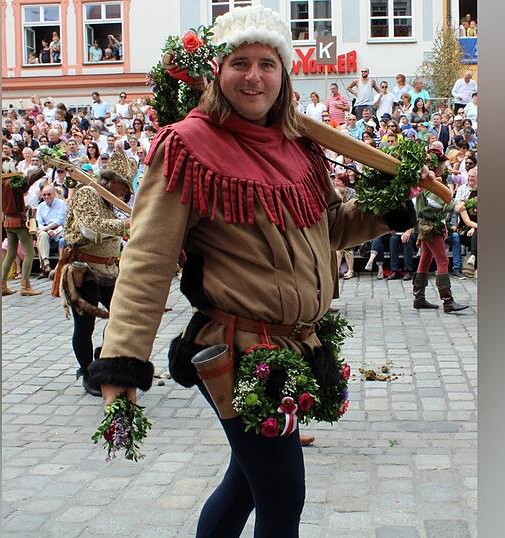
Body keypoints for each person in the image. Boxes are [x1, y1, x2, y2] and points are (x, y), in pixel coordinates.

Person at [86, 6, 419, 536]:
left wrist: (388, 207)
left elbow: (328, 229)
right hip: (234, 347)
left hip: (293, 343)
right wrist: (122, 363)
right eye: (240, 61)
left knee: (246, 484)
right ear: (216, 72)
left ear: (285, 73)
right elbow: (147, 262)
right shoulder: (187, 147)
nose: (254, 75)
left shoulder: (300, 146)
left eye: (268, 62)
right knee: (284, 492)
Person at [63, 152, 132, 395]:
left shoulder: (109, 203)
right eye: (123, 188)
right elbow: (90, 227)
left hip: (109, 270)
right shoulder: (87, 193)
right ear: (112, 182)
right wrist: (127, 225)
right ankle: (87, 371)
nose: (124, 195)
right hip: (85, 269)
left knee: (121, 318)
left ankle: (101, 357)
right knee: (85, 325)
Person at [411, 149, 468, 313]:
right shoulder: (430, 182)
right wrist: (454, 206)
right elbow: (434, 202)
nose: (446, 166)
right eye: (443, 164)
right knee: (442, 262)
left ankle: (419, 298)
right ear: (436, 166)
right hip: (431, 226)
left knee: (425, 259)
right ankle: (448, 301)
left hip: (427, 225)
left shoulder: (428, 180)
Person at [1, 162, 47, 296]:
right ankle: (25, 286)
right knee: (29, 253)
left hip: (8, 221)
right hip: (18, 221)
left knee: (11, 253)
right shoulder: (12, 183)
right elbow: (28, 181)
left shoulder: (1, 183)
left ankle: (2, 284)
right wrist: (44, 168)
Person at [35, 184, 68, 277]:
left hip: (59, 229)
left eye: (49, 194)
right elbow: (40, 222)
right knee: (42, 235)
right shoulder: (40, 206)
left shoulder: (61, 204)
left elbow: (59, 221)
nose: (46, 197)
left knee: (45, 234)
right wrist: (45, 230)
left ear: (54, 194)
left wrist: (48, 229)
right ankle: (46, 264)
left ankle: (55, 266)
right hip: (45, 230)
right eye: (44, 195)